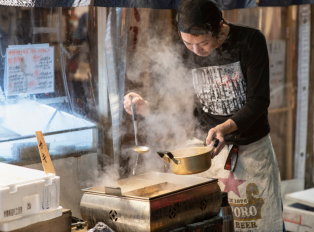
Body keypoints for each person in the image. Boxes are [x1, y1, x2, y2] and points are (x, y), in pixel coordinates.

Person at [124, 0, 285, 231]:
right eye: (188, 43)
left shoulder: (250, 41)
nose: (196, 51)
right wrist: (144, 105)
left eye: (203, 43)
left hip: (251, 152)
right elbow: (179, 100)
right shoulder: (185, 51)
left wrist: (225, 127)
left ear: (219, 28)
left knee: (257, 225)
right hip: (206, 153)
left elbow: (259, 101)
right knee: (207, 224)